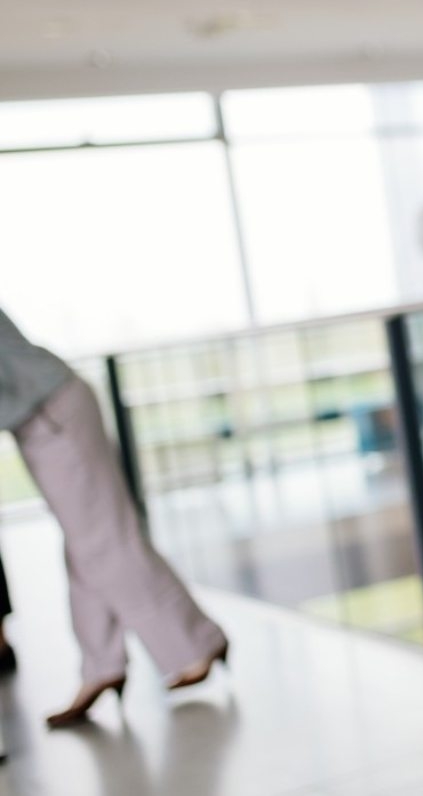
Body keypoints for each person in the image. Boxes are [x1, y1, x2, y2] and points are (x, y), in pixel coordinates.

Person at [0, 305, 229, 728]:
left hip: (51, 414)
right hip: (42, 419)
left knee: (103, 541)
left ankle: (198, 643)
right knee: (87, 546)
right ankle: (101, 668)